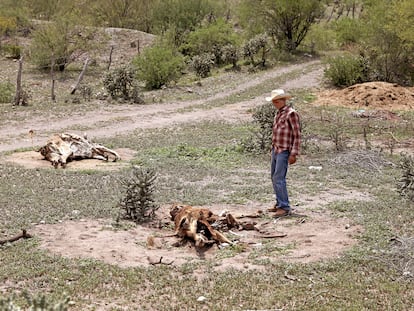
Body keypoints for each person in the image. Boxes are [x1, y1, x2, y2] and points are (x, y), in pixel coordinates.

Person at [266, 89, 301, 217]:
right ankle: (279, 202)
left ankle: (284, 207)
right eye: (273, 101)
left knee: (279, 178)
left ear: (283, 101)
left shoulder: (291, 114)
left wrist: (294, 153)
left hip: (284, 150)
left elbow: (296, 135)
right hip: (276, 148)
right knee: (274, 177)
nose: (274, 103)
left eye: (277, 101)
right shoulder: (278, 113)